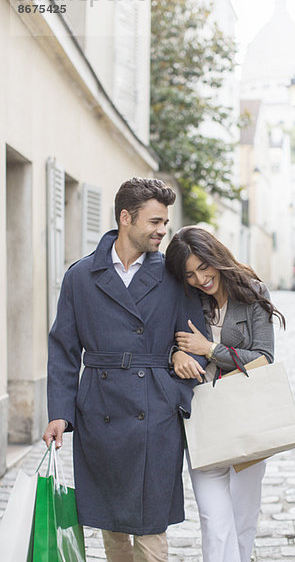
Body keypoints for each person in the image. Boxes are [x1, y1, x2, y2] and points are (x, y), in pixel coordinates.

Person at [42, 178, 207, 562]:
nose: (162, 231)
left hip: (156, 415)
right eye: (154, 222)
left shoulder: (174, 276)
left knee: (151, 529)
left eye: (165, 222)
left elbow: (196, 342)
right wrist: (60, 414)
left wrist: (179, 374)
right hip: (101, 413)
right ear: (125, 218)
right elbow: (64, 350)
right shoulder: (80, 277)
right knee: (112, 526)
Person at [165, 226, 285, 562]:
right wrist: (175, 354)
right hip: (201, 420)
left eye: (204, 267)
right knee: (214, 521)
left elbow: (264, 359)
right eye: (189, 274)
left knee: (243, 521)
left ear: (216, 258)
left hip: (247, 421)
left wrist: (210, 349)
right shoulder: (183, 299)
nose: (200, 279)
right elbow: (163, 344)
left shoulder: (251, 292)